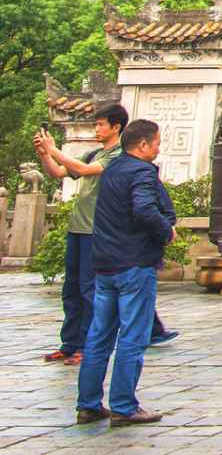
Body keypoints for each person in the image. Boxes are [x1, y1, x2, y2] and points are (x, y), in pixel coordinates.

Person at [32, 104, 176, 367]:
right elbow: (60, 172)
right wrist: (45, 154)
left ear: (116, 127)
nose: (96, 129)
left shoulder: (120, 157)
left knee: (91, 290)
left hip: (96, 232)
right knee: (72, 289)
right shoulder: (94, 153)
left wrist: (55, 150)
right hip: (78, 227)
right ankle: (70, 343)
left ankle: (87, 346)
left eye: (100, 124)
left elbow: (87, 172)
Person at [72, 119, 174, 427]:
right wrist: (166, 229)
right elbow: (144, 209)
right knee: (132, 336)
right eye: (156, 143)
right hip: (134, 264)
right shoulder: (141, 172)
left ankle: (88, 404)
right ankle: (124, 405)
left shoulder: (113, 169)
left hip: (105, 264)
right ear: (142, 145)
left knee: (99, 336)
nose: (158, 148)